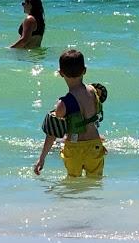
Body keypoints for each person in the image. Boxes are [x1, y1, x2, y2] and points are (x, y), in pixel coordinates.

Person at [33, 48, 108, 177]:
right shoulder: (94, 92)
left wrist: (42, 158)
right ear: (84, 70)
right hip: (95, 145)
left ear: (61, 73)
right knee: (95, 181)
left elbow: (52, 134)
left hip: (74, 149)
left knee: (73, 183)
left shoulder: (63, 104)